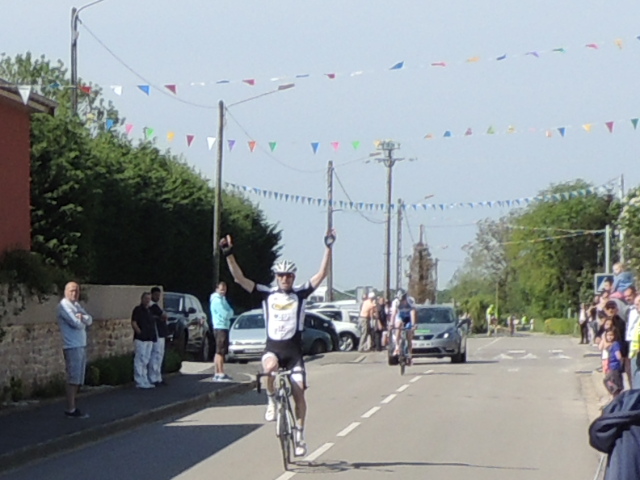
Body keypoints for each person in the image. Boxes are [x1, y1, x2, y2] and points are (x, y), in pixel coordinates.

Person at [220, 229, 335, 457]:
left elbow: (321, 274)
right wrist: (229, 254)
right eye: (281, 276)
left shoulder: (300, 293)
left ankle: (300, 435)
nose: (285, 279)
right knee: (269, 368)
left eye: (288, 276)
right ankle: (271, 400)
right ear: (276, 277)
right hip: (273, 348)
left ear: (293, 277)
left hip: (294, 353)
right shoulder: (266, 293)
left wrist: (328, 247)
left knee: (299, 393)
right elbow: (239, 279)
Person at [56, 281, 93, 418]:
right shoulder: (63, 306)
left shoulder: (76, 305)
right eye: (72, 290)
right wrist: (82, 320)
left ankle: (73, 406)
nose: (74, 293)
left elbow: (89, 320)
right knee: (73, 378)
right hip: (72, 346)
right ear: (65, 291)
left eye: (76, 291)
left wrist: (82, 318)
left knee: (78, 379)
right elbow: (76, 324)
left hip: (80, 345)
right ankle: (70, 408)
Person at [131, 292, 157, 389]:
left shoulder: (149, 311)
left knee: (146, 359)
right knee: (140, 358)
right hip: (141, 339)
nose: (147, 300)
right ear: (142, 299)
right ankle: (138, 380)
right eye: (146, 298)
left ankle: (144, 379)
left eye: (149, 299)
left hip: (149, 338)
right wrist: (139, 332)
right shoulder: (138, 310)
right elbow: (134, 322)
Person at [210, 281, 234, 382]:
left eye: (224, 288)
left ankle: (218, 373)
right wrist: (229, 314)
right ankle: (219, 373)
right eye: (221, 288)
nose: (223, 290)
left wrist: (229, 313)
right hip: (220, 327)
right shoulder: (216, 300)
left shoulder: (223, 299)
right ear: (216, 289)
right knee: (220, 351)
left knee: (220, 351)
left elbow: (231, 311)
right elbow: (225, 313)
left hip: (224, 326)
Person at [148, 287, 168, 386]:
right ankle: (153, 377)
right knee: (155, 355)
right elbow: (163, 316)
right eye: (156, 295)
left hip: (161, 333)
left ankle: (158, 377)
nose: (158, 297)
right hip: (156, 334)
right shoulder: (152, 307)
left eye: (159, 295)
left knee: (159, 355)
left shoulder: (156, 306)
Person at [390, 290, 417, 362]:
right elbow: (393, 314)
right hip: (401, 316)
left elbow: (413, 313)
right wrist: (391, 324)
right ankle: (397, 347)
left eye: (403, 299)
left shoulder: (410, 301)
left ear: (405, 297)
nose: (402, 301)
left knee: (409, 337)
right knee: (398, 325)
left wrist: (413, 325)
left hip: (409, 317)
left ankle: (410, 354)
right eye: (400, 300)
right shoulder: (395, 302)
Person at [603, 328, 624, 398]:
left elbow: (618, 356)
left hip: (615, 367)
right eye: (608, 335)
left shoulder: (615, 344)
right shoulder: (611, 344)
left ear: (615, 335)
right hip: (612, 367)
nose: (609, 337)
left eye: (611, 335)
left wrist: (621, 362)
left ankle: (616, 394)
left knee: (609, 381)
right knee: (608, 381)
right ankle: (615, 394)